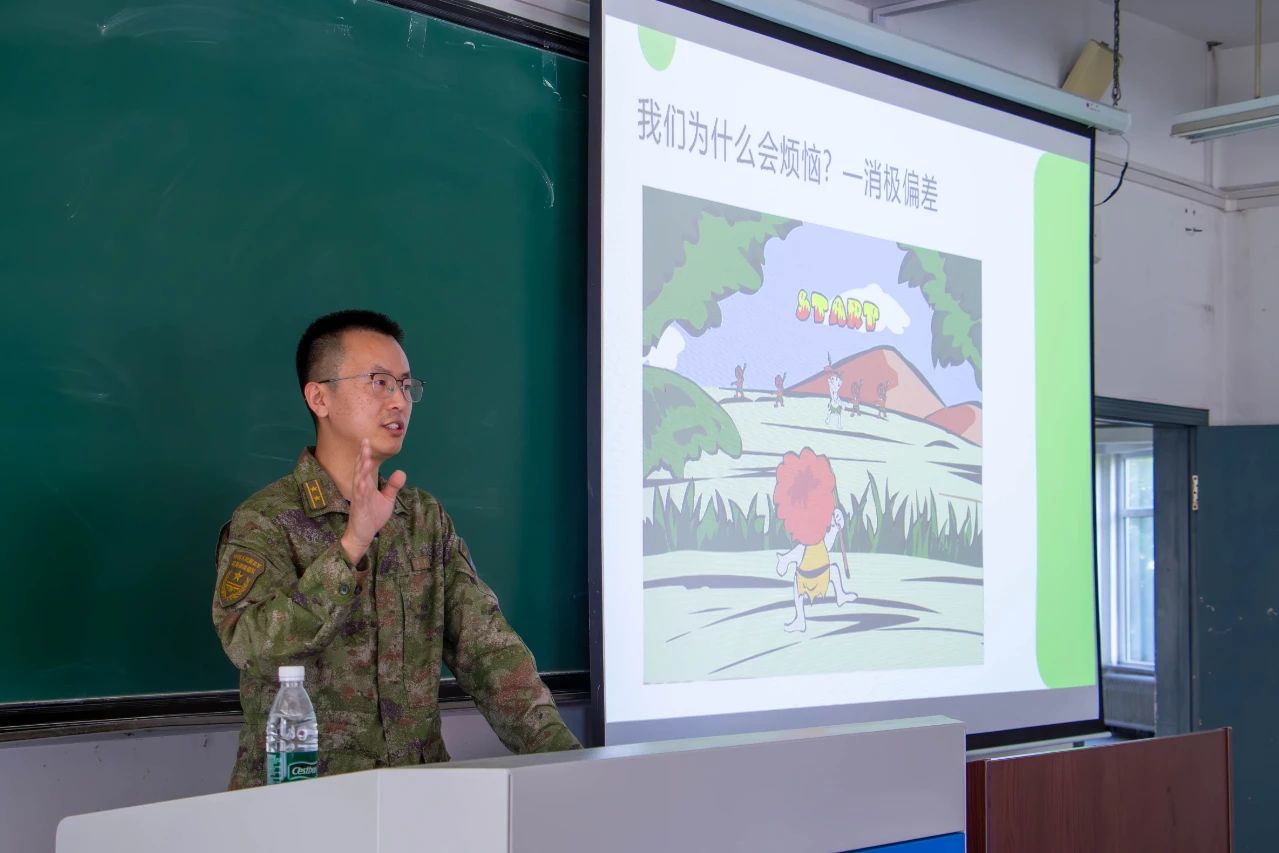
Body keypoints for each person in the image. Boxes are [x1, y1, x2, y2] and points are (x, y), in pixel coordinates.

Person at [211, 309, 580, 789]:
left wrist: (570, 762)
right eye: (379, 382)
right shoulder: (266, 520)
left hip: (415, 795)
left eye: (406, 386)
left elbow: (489, 653)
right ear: (319, 397)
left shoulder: (423, 520)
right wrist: (351, 546)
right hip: (305, 800)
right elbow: (251, 647)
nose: (399, 401)